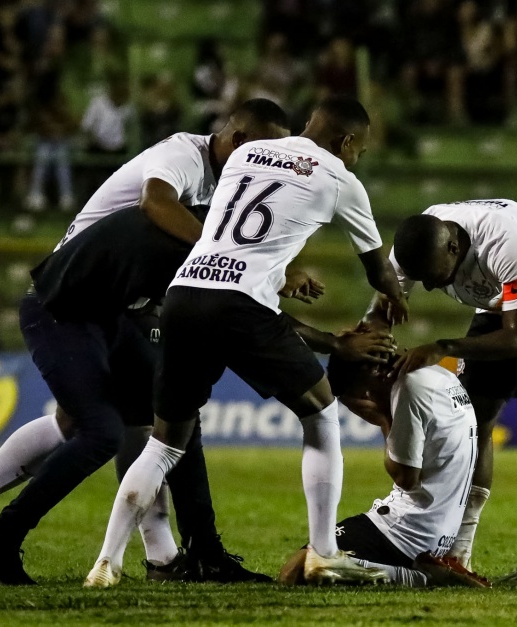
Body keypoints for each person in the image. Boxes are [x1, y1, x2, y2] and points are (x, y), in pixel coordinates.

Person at [0, 100, 292, 586]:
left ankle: (191, 554)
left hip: (116, 306)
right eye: (265, 155)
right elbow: (156, 203)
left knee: (168, 409)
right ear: (240, 141)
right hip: (67, 297)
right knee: (100, 431)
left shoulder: (225, 181)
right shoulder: (184, 155)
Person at [85, 95, 409, 588]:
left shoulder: (243, 156)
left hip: (185, 292)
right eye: (358, 149)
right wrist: (395, 295)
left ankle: (106, 564)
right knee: (320, 412)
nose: (356, 158)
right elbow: (376, 267)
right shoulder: (342, 179)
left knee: (164, 443)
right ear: (345, 142)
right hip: (240, 303)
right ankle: (324, 553)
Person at [368, 198, 517, 586]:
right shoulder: (420, 242)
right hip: (499, 302)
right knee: (474, 419)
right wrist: (373, 347)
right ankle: (458, 551)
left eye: (431, 276)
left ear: (454, 248)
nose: (426, 285)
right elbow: (378, 311)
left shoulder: (501, 240)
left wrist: (444, 347)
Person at [280, 350, 488, 588]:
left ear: (371, 380)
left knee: (297, 568)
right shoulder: (440, 373)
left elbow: (405, 477)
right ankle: (427, 571)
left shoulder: (408, 386)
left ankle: (426, 577)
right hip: (439, 532)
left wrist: (383, 418)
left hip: (406, 532)